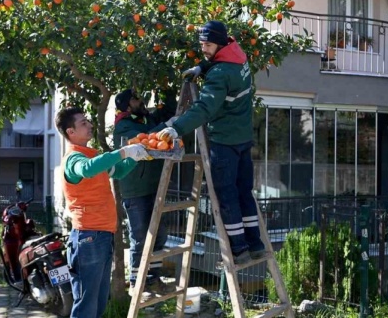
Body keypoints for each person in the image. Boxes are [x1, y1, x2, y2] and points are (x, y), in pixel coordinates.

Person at [158, 20, 265, 265]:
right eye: (202, 44)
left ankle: (238, 248)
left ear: (218, 42)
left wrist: (177, 128)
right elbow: (221, 63)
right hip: (243, 138)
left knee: (226, 195)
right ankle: (255, 243)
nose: (203, 48)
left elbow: (205, 107)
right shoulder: (239, 57)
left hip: (224, 141)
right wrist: (201, 67)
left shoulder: (219, 75)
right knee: (244, 192)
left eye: (207, 44)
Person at [55, 106, 151, 318]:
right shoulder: (74, 159)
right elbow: (87, 168)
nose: (89, 125)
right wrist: (124, 151)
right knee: (86, 306)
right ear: (70, 132)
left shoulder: (92, 156)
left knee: (97, 304)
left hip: (101, 236)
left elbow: (119, 171)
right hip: (88, 238)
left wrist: (135, 158)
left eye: (88, 121)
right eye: (83, 123)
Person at [113, 89, 176, 296]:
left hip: (155, 186)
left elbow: (167, 110)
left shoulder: (146, 118)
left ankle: (152, 279)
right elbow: (144, 140)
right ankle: (135, 282)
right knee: (140, 237)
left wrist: (166, 85)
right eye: (135, 99)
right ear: (127, 106)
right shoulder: (123, 126)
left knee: (159, 235)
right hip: (135, 190)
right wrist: (166, 127)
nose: (141, 100)